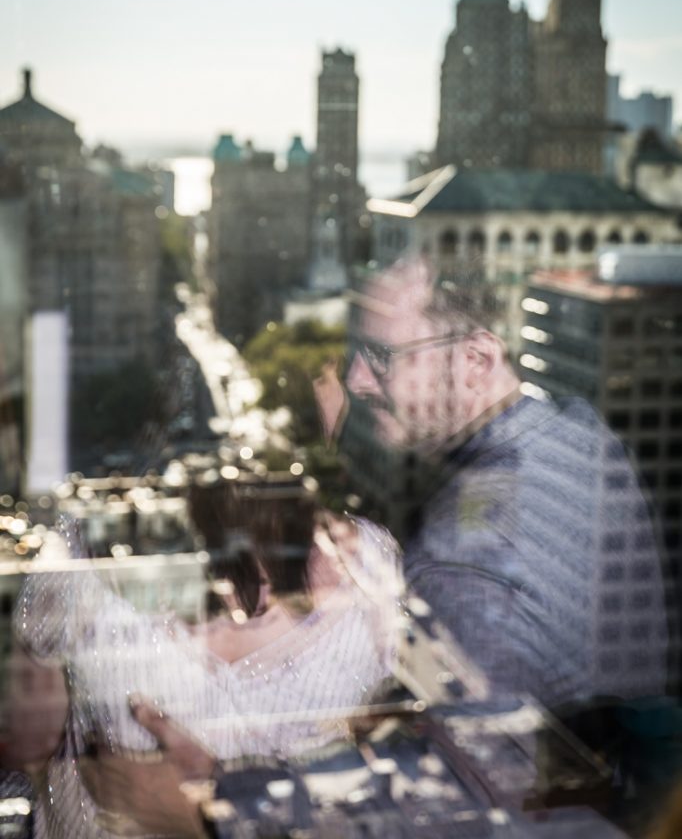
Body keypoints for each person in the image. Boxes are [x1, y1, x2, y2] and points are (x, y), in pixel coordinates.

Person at [341, 257, 668, 710]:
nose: (357, 380)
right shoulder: (580, 430)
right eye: (356, 354)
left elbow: (490, 753)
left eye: (382, 356)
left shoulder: (458, 557)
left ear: (476, 360)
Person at [5, 481, 401, 839]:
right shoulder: (367, 561)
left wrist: (197, 811)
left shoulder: (83, 546)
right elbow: (405, 752)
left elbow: (26, 742)